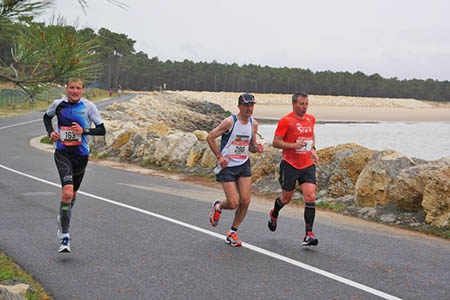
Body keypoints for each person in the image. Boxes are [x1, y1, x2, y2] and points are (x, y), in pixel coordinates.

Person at [43, 78, 106, 253]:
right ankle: (64, 237)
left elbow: (101, 129)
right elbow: (46, 118)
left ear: (82, 90)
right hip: (63, 153)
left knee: (73, 195)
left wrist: (84, 131)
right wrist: (51, 133)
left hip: (81, 156)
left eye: (78, 88)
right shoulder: (58, 104)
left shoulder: (89, 107)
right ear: (67, 89)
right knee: (67, 192)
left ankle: (62, 217)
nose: (74, 91)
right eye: (72, 88)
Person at [207, 93, 264, 247]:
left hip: (243, 164)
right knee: (233, 203)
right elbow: (210, 137)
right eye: (246, 105)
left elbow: (250, 146)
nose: (249, 108)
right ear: (239, 106)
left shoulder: (254, 124)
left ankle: (233, 232)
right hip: (227, 167)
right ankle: (218, 206)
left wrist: (256, 148)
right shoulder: (229, 122)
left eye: (251, 105)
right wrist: (219, 156)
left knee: (245, 201)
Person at [267, 91, 320, 246]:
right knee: (286, 199)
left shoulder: (311, 119)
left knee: (310, 196)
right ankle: (274, 212)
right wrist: (293, 146)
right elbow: (276, 142)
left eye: (306, 104)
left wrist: (313, 149)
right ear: (294, 104)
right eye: (301, 104)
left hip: (307, 164)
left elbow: (311, 135)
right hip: (290, 165)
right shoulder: (286, 121)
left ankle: (308, 234)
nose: (304, 107)